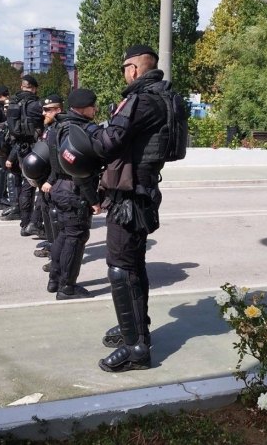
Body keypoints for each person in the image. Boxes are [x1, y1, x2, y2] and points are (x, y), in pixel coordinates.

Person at [76, 45, 170, 372]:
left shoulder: (140, 100)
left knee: (120, 267)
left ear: (133, 69)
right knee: (134, 265)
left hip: (129, 196)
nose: (124, 75)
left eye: (124, 69)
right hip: (141, 190)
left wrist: (89, 132)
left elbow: (107, 143)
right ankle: (136, 328)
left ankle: (136, 348)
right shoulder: (163, 97)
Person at [48, 88, 101, 300]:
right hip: (74, 190)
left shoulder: (58, 126)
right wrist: (93, 200)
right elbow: (81, 172)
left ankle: (54, 279)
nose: (95, 109)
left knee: (63, 234)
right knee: (76, 237)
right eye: (93, 106)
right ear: (84, 108)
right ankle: (67, 287)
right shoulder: (82, 130)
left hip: (59, 186)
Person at [2, 74, 44, 223]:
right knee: (36, 184)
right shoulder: (36, 105)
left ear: (22, 87)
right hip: (36, 147)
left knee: (26, 184)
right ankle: (35, 222)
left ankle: (24, 221)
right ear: (34, 88)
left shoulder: (12, 104)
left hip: (19, 147)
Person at [31, 95, 64, 255]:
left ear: (58, 110)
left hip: (54, 181)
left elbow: (58, 161)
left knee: (55, 216)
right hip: (44, 179)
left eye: (48, 110)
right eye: (43, 110)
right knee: (46, 212)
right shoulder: (49, 128)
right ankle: (52, 245)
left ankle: (57, 253)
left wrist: (51, 180)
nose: (44, 113)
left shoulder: (61, 129)